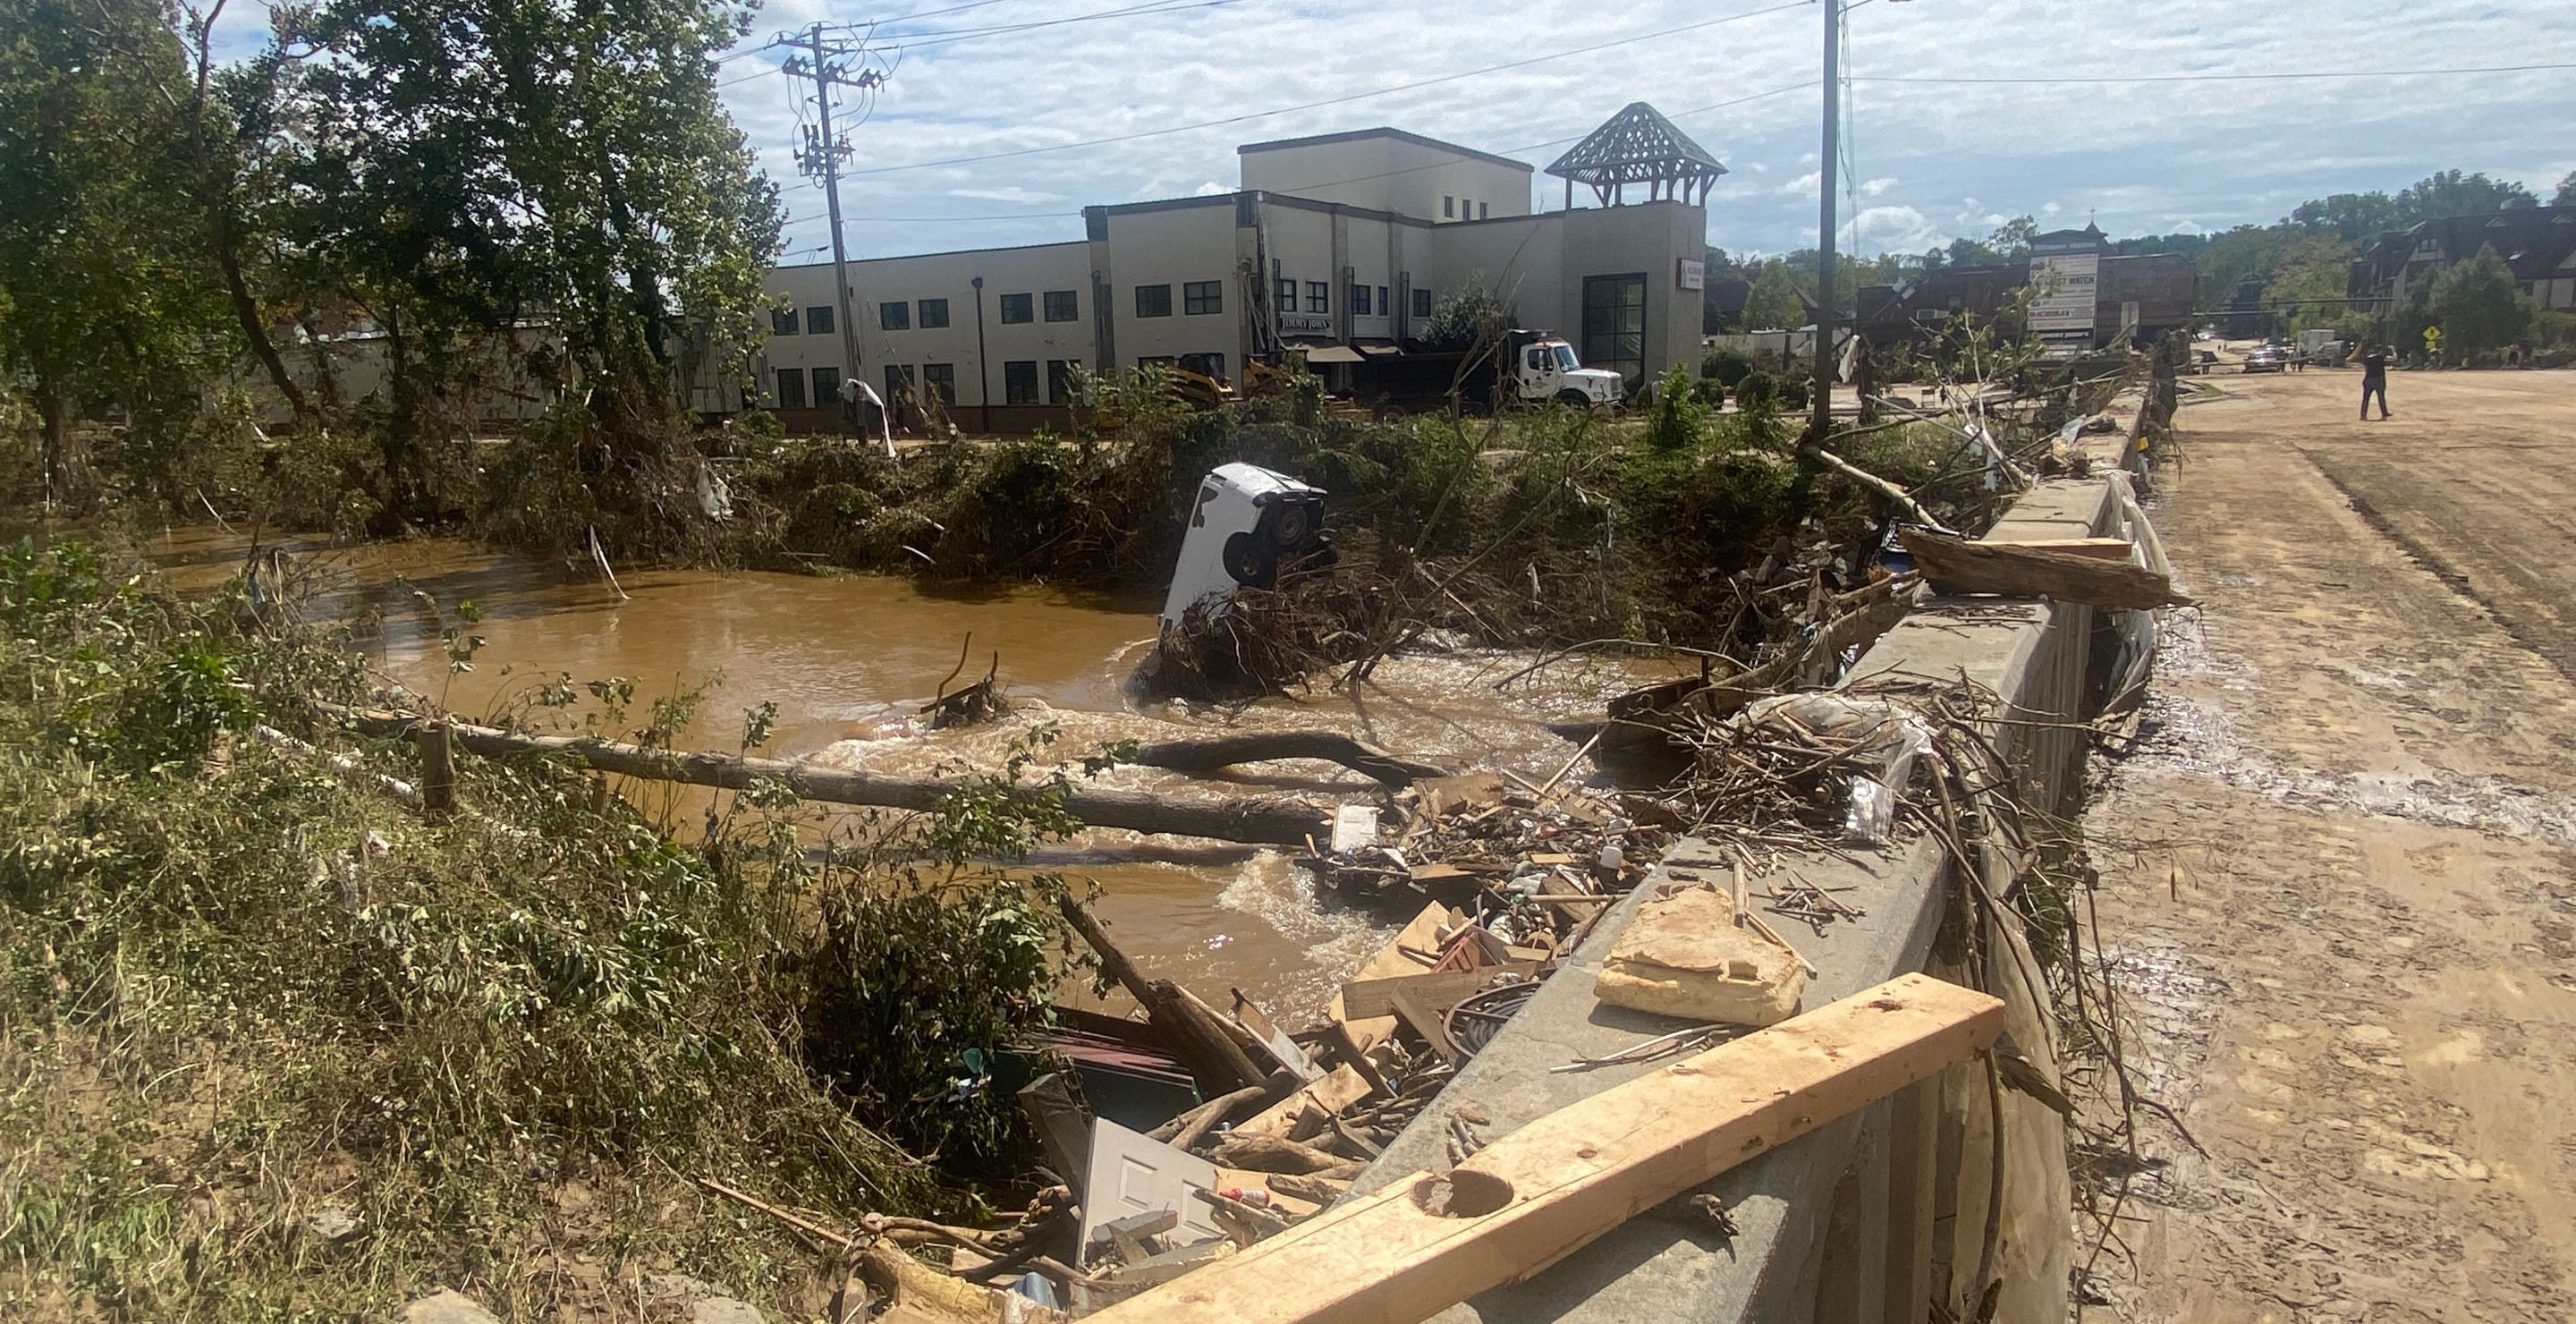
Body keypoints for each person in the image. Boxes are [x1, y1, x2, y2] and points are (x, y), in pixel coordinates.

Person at [2360, 343, 2391, 420]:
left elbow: (2366, 370)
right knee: (2381, 398)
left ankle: (2363, 415)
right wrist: (2393, 350)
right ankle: (2384, 415)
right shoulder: (2380, 358)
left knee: (2366, 398)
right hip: (2378, 379)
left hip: (2369, 379)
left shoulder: (2367, 359)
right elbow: (2394, 358)